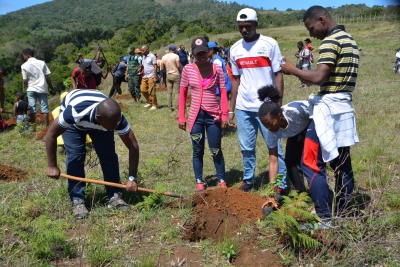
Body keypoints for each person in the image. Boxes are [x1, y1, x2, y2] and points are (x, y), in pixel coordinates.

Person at [280, 5, 359, 223]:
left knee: (311, 162)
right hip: (343, 108)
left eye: (311, 27)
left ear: (322, 20)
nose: (311, 33)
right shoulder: (349, 39)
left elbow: (318, 78)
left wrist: (292, 70)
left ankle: (324, 217)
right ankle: (343, 215)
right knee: (342, 163)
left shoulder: (331, 42)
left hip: (329, 110)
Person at [45, 89, 140, 219]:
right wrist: (52, 166)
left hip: (102, 125)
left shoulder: (115, 118)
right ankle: (77, 200)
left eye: (117, 122)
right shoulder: (74, 112)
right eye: (113, 124)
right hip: (75, 125)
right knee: (75, 157)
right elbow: (51, 135)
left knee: (109, 156)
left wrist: (132, 178)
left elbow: (133, 146)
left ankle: (115, 196)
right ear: (98, 118)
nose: (116, 126)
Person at [228, 8, 287, 192]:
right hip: (244, 107)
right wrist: (231, 109)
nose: (244, 30)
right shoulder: (235, 49)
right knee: (246, 147)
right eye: (241, 27)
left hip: (267, 108)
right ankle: (248, 179)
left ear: (256, 24)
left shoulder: (269, 44)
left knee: (275, 147)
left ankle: (280, 184)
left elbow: (278, 74)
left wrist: (277, 104)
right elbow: (235, 79)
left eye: (248, 26)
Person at [179, 37, 229, 193]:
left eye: (203, 53)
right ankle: (199, 181)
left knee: (215, 149)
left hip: (213, 116)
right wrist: (182, 116)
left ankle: (221, 179)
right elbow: (182, 93)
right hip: (195, 117)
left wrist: (225, 115)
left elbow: (223, 92)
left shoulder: (217, 69)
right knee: (197, 150)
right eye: (197, 53)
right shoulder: (188, 69)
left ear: (209, 52)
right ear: (193, 54)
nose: (201, 56)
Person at [256, 86, 310, 210]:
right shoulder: (272, 133)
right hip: (295, 134)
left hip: (311, 128)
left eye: (270, 123)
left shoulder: (295, 111)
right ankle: (301, 195)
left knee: (308, 162)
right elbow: (274, 161)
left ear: (279, 116)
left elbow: (317, 114)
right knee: (290, 162)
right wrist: (271, 195)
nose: (268, 127)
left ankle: (320, 193)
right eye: (265, 125)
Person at [21, 48, 56, 127]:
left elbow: (25, 80)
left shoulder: (23, 66)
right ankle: (46, 127)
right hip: (42, 89)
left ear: (27, 55)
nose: (24, 57)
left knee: (32, 109)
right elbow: (47, 77)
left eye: (24, 55)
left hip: (31, 89)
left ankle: (33, 127)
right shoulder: (42, 63)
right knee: (45, 109)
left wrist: (30, 85)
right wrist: (52, 88)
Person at [162, 45, 181, 112]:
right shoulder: (176, 56)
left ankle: (170, 107)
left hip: (168, 74)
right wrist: (180, 71)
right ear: (174, 50)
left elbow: (162, 67)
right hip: (175, 74)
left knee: (169, 92)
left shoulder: (164, 57)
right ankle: (177, 107)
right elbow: (178, 65)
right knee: (177, 92)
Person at [141, 45, 158, 110]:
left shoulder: (152, 56)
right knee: (143, 90)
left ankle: (154, 105)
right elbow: (143, 65)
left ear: (147, 50)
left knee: (152, 91)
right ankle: (150, 101)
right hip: (145, 76)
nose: (142, 52)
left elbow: (155, 66)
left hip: (151, 76)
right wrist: (140, 68)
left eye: (143, 50)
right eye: (141, 50)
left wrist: (155, 77)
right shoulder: (143, 57)